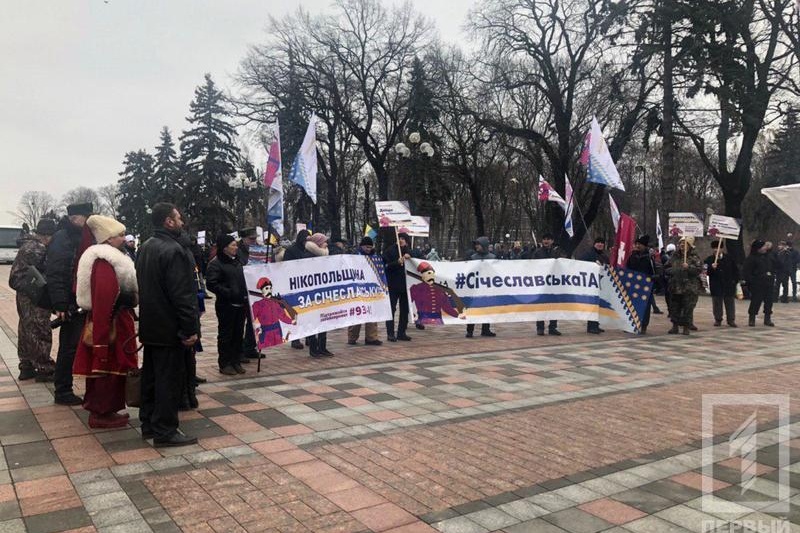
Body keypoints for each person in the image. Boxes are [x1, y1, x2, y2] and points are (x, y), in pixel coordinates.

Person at [136, 203, 198, 447]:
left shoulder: (145, 247)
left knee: (151, 377)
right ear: (168, 222)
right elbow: (182, 295)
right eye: (178, 218)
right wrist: (190, 329)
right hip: (169, 327)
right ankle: (165, 430)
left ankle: (149, 423)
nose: (182, 222)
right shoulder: (174, 250)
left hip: (152, 325)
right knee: (168, 380)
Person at [73, 215, 138, 429]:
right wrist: (100, 341)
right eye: (120, 235)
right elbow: (103, 301)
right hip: (111, 325)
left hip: (116, 321)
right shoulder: (104, 263)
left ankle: (107, 409)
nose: (124, 238)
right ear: (108, 239)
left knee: (111, 369)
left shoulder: (110, 259)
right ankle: (101, 413)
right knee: (107, 369)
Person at [47, 202, 94, 405]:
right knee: (68, 346)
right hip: (69, 302)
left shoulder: (77, 236)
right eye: (86, 217)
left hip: (79, 299)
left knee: (75, 345)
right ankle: (63, 390)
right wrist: (60, 304)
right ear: (75, 218)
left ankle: (66, 387)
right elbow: (56, 273)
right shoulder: (63, 238)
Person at [9, 218, 57, 381]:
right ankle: (44, 368)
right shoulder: (37, 248)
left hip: (24, 293)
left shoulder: (28, 245)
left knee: (25, 328)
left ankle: (27, 365)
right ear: (47, 235)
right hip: (33, 294)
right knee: (40, 328)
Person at [283, 232, 334, 356]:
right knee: (313, 320)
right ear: (318, 243)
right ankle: (314, 348)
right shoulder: (308, 255)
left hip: (323, 292)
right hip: (311, 294)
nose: (326, 244)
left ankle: (322, 347)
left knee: (324, 320)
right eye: (323, 242)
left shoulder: (324, 254)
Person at [206, 234, 248, 375]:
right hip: (226, 305)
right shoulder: (216, 263)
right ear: (225, 248)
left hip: (241, 304)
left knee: (238, 334)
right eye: (233, 245)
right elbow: (211, 284)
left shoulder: (238, 262)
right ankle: (225, 363)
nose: (236, 247)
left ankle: (235, 361)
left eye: (236, 245)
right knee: (226, 335)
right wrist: (229, 292)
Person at [348, 237, 383, 346]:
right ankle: (352, 337)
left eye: (370, 247)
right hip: (357, 287)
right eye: (366, 247)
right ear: (362, 246)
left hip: (371, 288)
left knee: (372, 312)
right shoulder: (354, 255)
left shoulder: (375, 257)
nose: (368, 249)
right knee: (357, 312)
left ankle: (371, 337)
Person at [527, 233, 564, 336]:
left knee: (554, 306)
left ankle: (553, 327)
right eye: (544, 239)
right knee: (541, 306)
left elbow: (562, 264)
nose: (546, 241)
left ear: (552, 241)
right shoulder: (537, 253)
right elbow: (533, 265)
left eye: (548, 239)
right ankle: (540, 327)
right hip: (542, 285)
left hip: (553, 284)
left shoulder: (556, 253)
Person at [665, 236, 702, 335]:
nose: (682, 245)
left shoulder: (694, 257)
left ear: (689, 246)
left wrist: (689, 267)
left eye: (685, 244)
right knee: (675, 307)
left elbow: (698, 269)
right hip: (676, 286)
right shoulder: (674, 256)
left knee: (687, 308)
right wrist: (673, 271)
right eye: (681, 243)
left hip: (689, 287)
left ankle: (686, 327)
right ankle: (675, 326)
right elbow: (666, 267)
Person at [236, 228, 261, 362]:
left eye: (255, 238)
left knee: (254, 322)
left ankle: (250, 348)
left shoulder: (257, 249)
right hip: (242, 290)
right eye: (251, 239)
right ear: (244, 239)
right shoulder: (238, 251)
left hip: (255, 289)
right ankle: (239, 351)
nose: (254, 241)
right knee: (240, 323)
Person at [383, 232, 413, 342]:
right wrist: (396, 262)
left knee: (405, 310)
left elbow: (420, 260)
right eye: (399, 238)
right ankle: (390, 333)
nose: (401, 240)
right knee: (391, 309)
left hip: (406, 286)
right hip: (393, 285)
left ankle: (402, 332)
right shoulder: (390, 251)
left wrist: (411, 255)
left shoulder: (410, 251)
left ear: (407, 241)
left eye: (403, 239)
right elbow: (385, 266)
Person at [466, 236, 497, 338]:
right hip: (475, 288)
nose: (476, 246)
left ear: (484, 245)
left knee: (486, 308)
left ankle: (486, 329)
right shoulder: (473, 257)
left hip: (486, 287)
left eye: (478, 244)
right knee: (473, 309)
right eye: (476, 244)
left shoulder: (492, 257)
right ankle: (470, 330)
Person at [704, 240, 738, 327]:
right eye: (714, 248)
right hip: (716, 284)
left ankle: (731, 319)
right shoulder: (709, 259)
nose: (716, 250)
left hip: (728, 284)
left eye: (718, 248)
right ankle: (718, 319)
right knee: (717, 303)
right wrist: (711, 268)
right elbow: (705, 272)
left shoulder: (729, 258)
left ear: (722, 249)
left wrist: (735, 281)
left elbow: (735, 271)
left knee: (730, 302)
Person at [626, 235, 656, 334]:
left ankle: (643, 325)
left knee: (645, 307)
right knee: (632, 305)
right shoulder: (632, 256)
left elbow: (654, 272)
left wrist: (652, 280)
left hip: (645, 286)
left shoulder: (649, 258)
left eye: (640, 244)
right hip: (633, 285)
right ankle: (632, 324)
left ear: (644, 246)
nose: (637, 246)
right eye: (636, 244)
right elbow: (627, 269)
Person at [743, 239, 776, 327]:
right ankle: (752, 318)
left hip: (768, 283)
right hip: (757, 284)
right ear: (758, 248)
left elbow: (775, 266)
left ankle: (767, 318)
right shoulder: (752, 258)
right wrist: (752, 282)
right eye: (763, 246)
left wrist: (772, 275)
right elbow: (747, 272)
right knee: (756, 301)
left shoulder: (768, 257)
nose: (765, 248)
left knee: (769, 301)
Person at [580, 237, 609, 334]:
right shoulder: (589, 254)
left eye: (602, 242)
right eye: (598, 242)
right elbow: (581, 264)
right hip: (591, 284)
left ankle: (596, 324)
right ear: (594, 244)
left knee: (598, 306)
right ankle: (591, 326)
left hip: (601, 284)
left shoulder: (604, 256)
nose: (600, 244)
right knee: (593, 306)